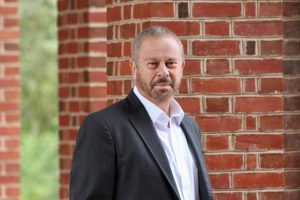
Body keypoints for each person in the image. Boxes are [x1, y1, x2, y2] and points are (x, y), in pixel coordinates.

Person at [70, 26, 213, 200]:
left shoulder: (190, 127)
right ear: (134, 68)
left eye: (170, 63)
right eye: (153, 64)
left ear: (182, 67)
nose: (163, 71)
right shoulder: (103, 127)